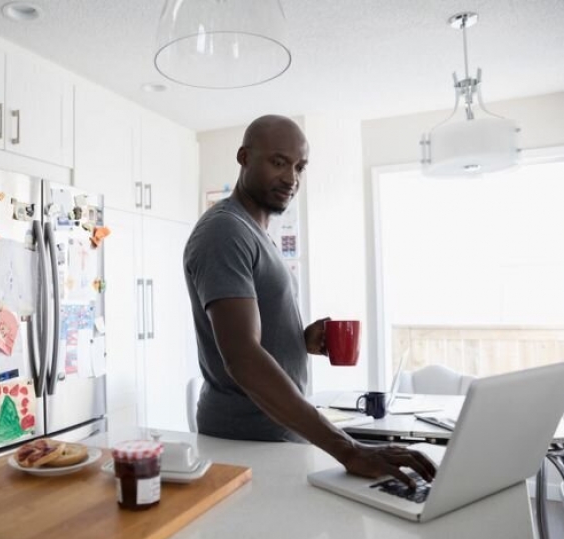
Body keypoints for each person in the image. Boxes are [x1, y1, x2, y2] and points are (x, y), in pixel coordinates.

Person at [183, 114, 435, 488]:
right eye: (279, 162)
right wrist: (349, 449)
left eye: (300, 167)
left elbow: (249, 334)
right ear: (243, 157)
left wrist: (297, 341)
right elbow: (242, 359)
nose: (292, 178)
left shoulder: (256, 233)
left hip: (274, 436)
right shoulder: (225, 231)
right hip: (246, 444)